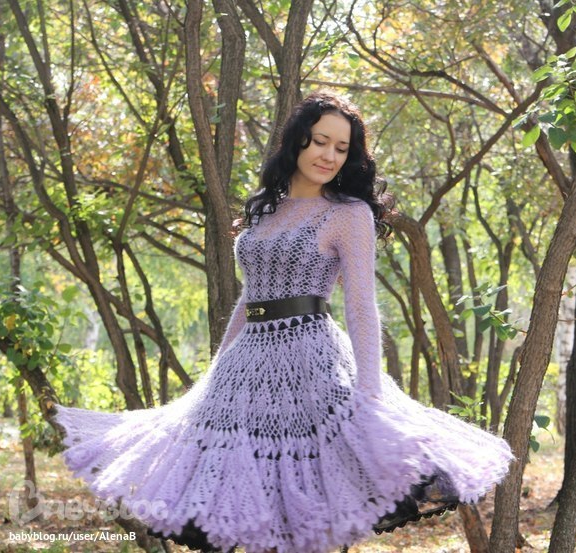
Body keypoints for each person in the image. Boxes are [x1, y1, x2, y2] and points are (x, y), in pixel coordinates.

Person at [52, 91, 513, 553]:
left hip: (311, 362)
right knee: (245, 494)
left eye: (341, 148)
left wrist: (370, 393)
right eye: (320, 141)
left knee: (306, 495)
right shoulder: (265, 209)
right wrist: (215, 373)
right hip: (245, 367)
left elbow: (360, 306)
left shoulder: (349, 214)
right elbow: (251, 297)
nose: (329, 155)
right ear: (297, 141)